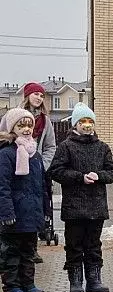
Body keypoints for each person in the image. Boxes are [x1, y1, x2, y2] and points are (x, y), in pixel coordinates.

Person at [47, 104, 113, 292]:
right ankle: (75, 280)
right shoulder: (66, 146)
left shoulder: (102, 147)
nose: (87, 125)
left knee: (93, 245)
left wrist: (99, 176)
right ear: (75, 125)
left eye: (90, 121)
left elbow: (112, 173)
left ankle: (94, 280)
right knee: (74, 244)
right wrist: (79, 177)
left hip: (97, 206)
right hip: (74, 207)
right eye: (83, 121)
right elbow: (56, 171)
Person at [0, 108, 46, 292]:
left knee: (28, 250)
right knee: (11, 252)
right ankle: (11, 286)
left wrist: (45, 211)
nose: (26, 129)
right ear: (13, 128)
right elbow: (3, 186)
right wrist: (6, 212)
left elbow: (42, 186)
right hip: (14, 213)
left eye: (29, 125)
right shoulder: (7, 154)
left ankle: (28, 283)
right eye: (21, 125)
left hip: (31, 212)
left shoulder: (34, 154)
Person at [22, 82, 57, 261]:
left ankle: (32, 247)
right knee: (21, 208)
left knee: (36, 207)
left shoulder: (45, 121)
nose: (38, 98)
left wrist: (42, 164)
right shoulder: (17, 116)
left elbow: (51, 146)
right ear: (28, 95)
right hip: (18, 169)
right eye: (35, 94)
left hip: (38, 170)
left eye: (42, 95)